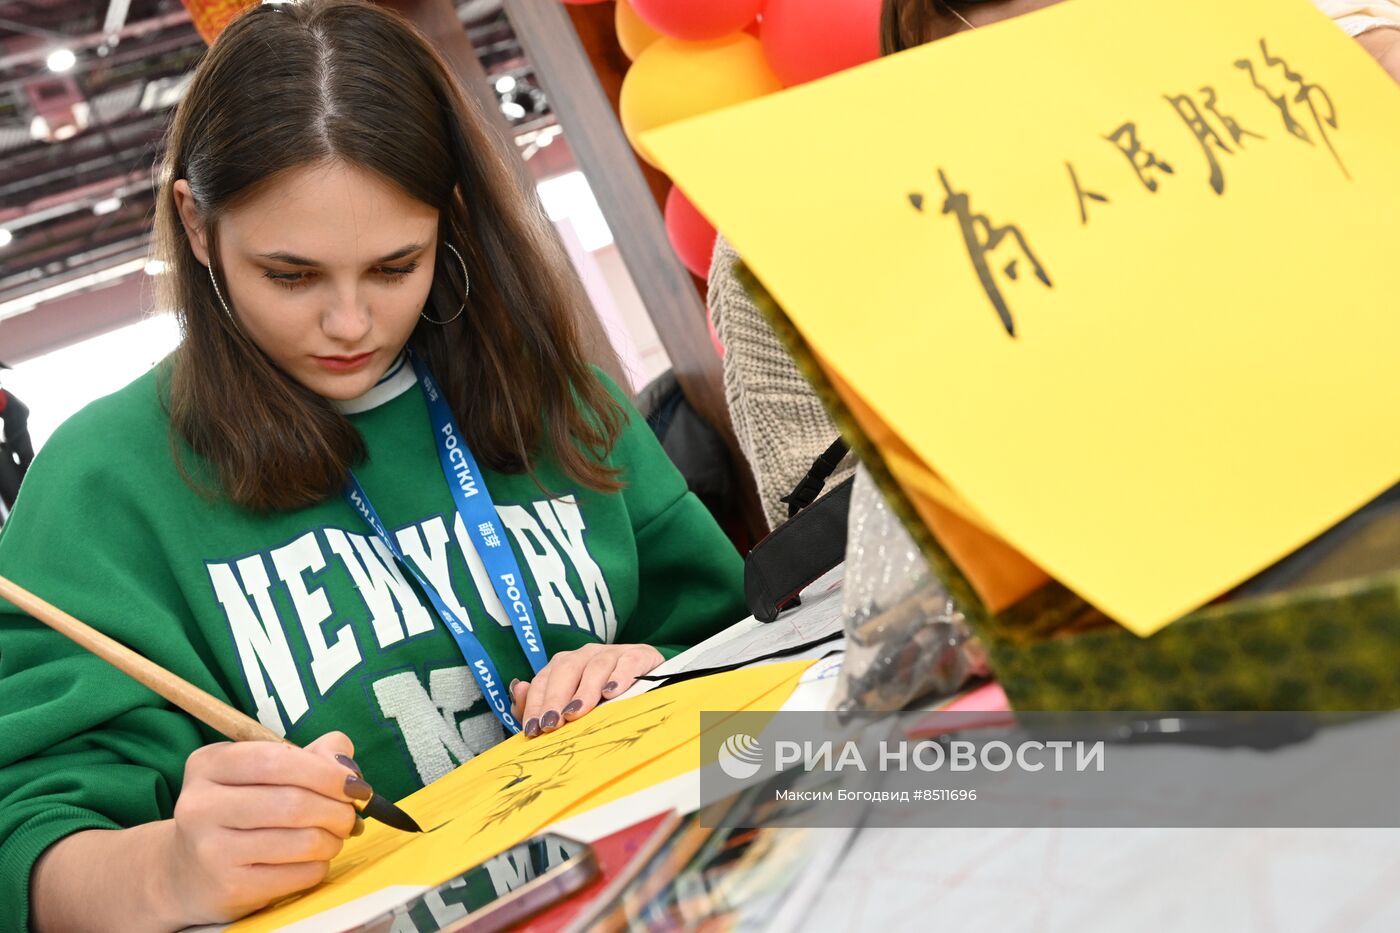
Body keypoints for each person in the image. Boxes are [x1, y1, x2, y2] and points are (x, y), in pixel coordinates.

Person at [0, 2, 746, 929]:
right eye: (292, 275)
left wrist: (654, 674)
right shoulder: (99, 484)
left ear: (450, 224)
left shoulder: (558, 397)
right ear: (197, 228)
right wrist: (168, 872)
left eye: (397, 265)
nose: (350, 324)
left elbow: (740, 648)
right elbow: (22, 838)